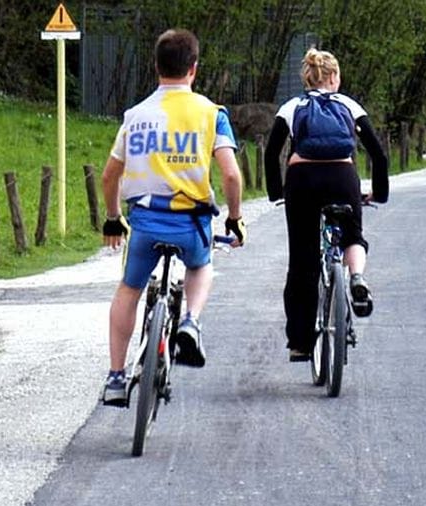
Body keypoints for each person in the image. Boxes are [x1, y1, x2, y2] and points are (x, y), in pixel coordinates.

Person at [100, 29, 246, 405]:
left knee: (129, 290)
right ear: (193, 69)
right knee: (201, 266)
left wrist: (114, 218)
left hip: (146, 221)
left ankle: (116, 377)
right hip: (190, 222)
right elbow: (230, 174)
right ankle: (190, 322)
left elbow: (109, 175)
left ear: (155, 67)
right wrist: (234, 217)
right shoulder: (212, 114)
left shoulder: (135, 116)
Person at [263, 47, 389, 362]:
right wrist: (380, 193)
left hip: (302, 180)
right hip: (341, 177)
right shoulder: (348, 104)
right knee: (353, 235)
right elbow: (378, 153)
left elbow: (271, 152)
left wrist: (277, 192)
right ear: (334, 77)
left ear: (307, 77)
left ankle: (301, 344)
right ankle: (357, 276)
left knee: (302, 261)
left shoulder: (292, 106)